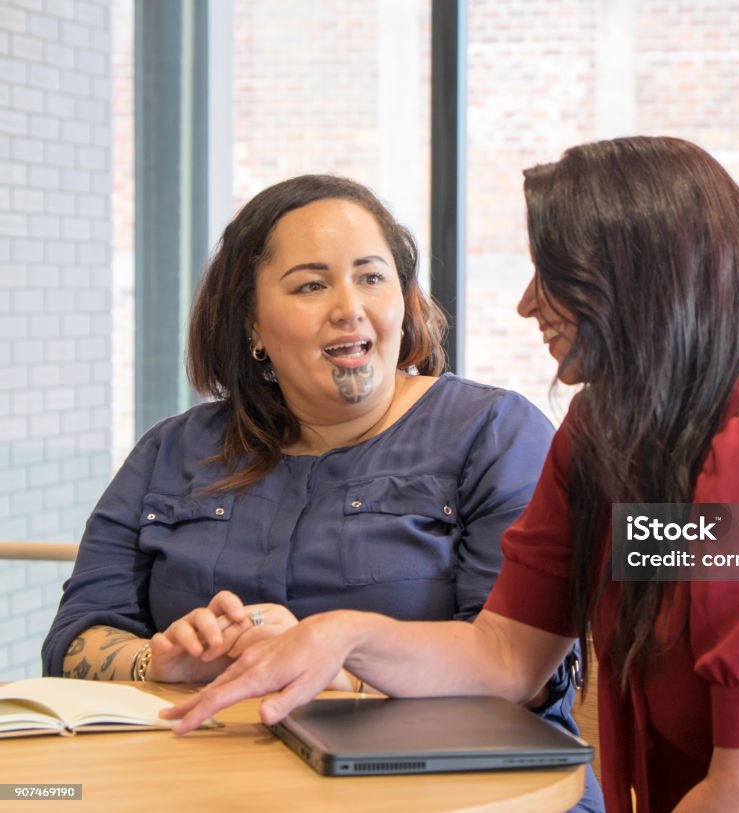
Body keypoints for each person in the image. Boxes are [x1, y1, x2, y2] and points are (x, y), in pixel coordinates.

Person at [164, 139, 739, 813]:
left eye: (554, 276)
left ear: (643, 284)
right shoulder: (606, 431)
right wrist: (343, 632)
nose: (529, 304)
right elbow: (505, 655)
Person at [42, 174, 603, 812]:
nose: (349, 306)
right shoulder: (170, 451)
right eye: (311, 284)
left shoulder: (494, 432)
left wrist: (333, 660)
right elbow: (75, 641)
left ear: (406, 300)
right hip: (204, 787)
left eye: (371, 277)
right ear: (251, 324)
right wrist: (161, 660)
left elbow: (525, 676)